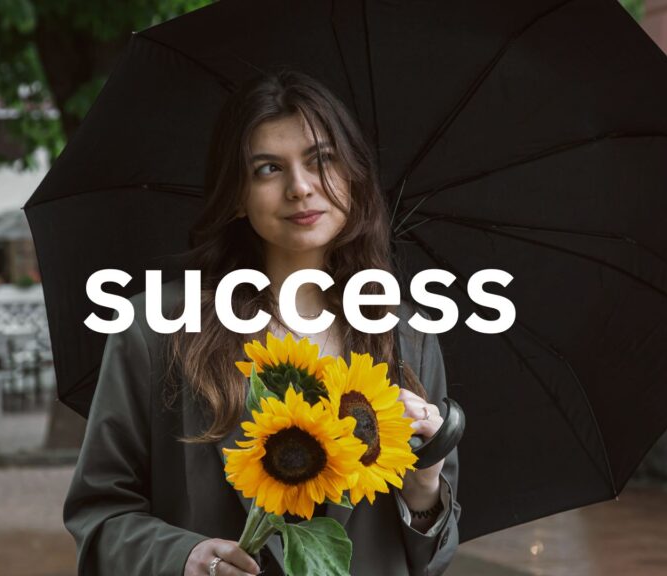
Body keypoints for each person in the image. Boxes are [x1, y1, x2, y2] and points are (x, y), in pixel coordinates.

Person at [64, 69, 460, 576]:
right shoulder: (157, 330)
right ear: (236, 194)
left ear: (354, 174)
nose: (300, 188)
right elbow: (99, 516)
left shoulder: (408, 334)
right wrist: (183, 558)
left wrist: (424, 493)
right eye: (269, 169)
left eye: (321, 160)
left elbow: (431, 557)